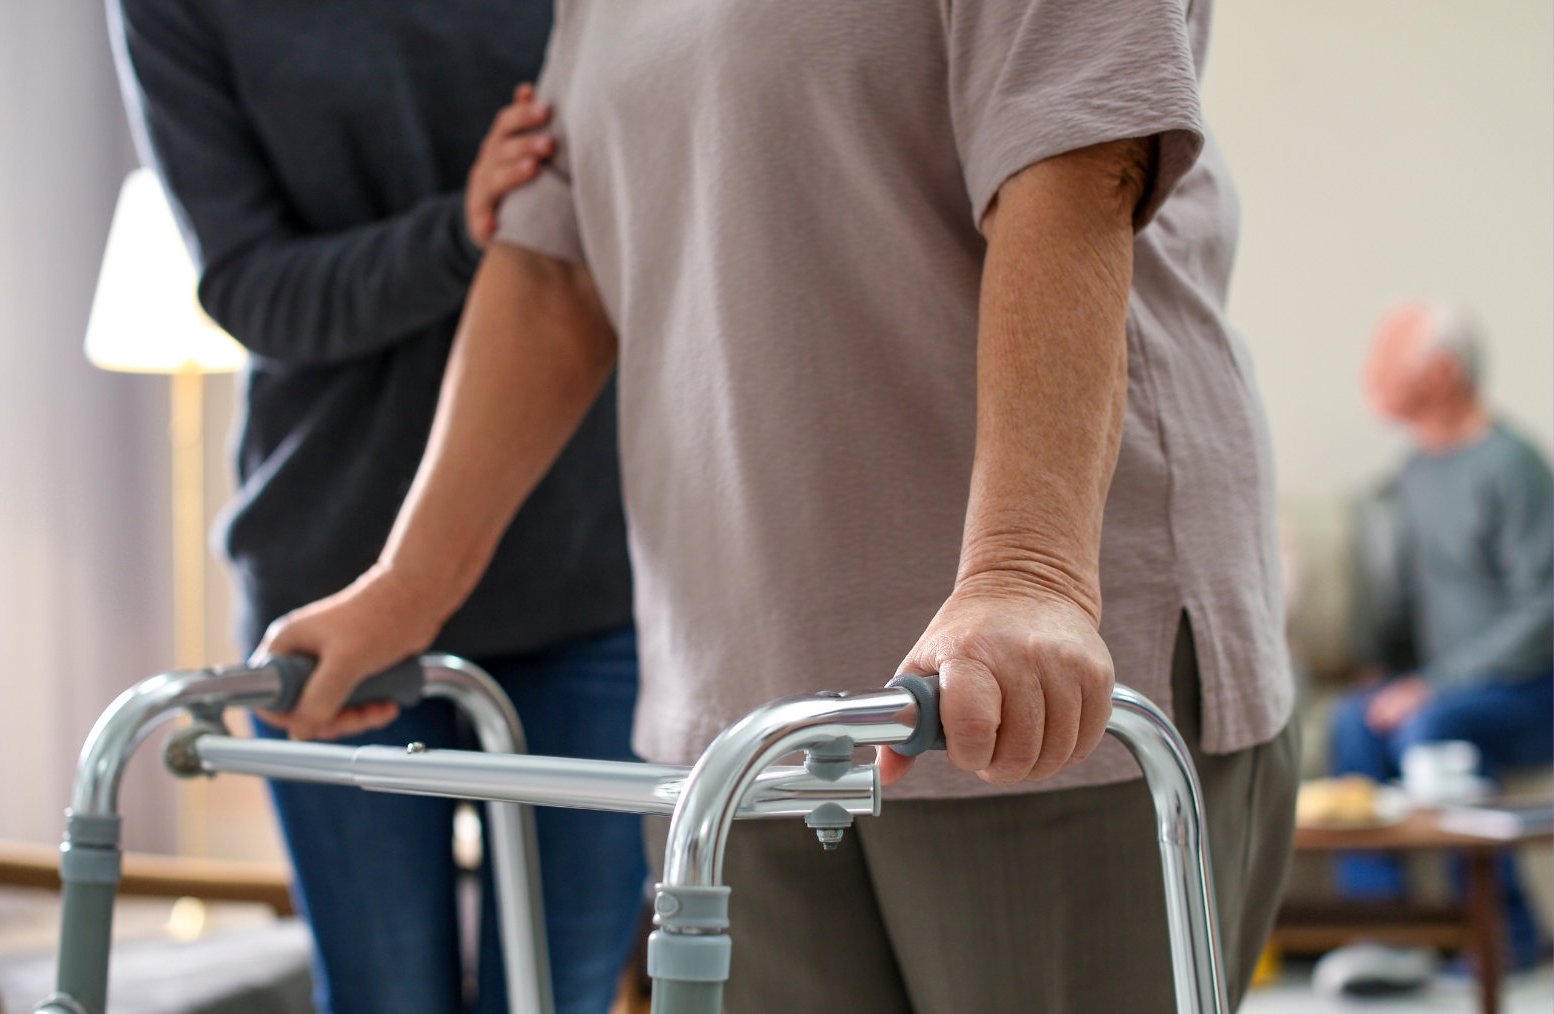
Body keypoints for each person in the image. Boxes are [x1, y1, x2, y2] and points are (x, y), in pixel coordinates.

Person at [261, 1, 1300, 1010]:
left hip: (1021, 686)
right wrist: (407, 586)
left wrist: (1027, 568)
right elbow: (555, 269)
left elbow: (1073, 168)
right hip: (737, 710)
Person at [107, 3, 647, 1013]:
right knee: (382, 995)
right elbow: (250, 288)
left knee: (561, 995)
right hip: (334, 586)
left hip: (584, 575)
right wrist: (462, 228)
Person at [1330, 301, 1553, 969]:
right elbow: (1410, 598)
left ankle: (1505, 935)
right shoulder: (1414, 474)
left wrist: (1432, 686)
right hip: (1448, 682)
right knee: (1353, 722)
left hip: (1531, 687)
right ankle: (1389, 934)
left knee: (1436, 729)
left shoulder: (1512, 467)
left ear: (1443, 372)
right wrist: (1383, 670)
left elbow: (1545, 606)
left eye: (1388, 359)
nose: (1370, 373)